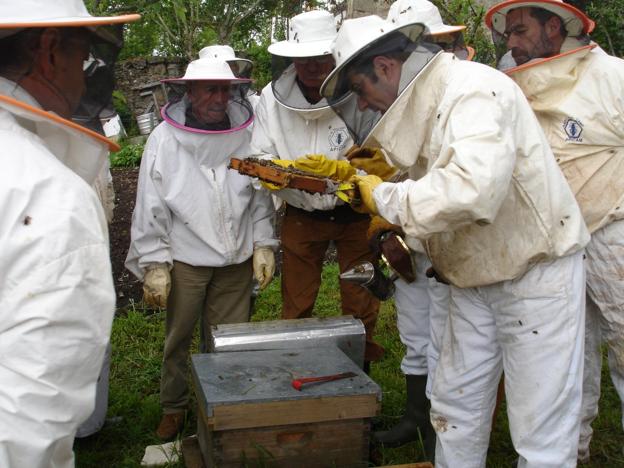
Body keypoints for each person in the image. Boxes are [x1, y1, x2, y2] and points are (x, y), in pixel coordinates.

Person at [320, 14, 590, 468]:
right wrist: (387, 183)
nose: (367, 107)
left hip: (535, 275)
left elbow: (471, 191)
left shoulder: (473, 91)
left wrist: (383, 195)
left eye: (363, 93)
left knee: (540, 426)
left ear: (385, 67)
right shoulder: (431, 101)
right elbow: (437, 179)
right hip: (468, 276)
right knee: (454, 409)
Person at [0, 1, 139, 466]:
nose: (87, 74)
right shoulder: (50, 195)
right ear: (49, 52)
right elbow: (30, 427)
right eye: (82, 55)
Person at [485, 0, 624, 463]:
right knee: (568, 354)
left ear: (554, 25)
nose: (513, 42)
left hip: (613, 232)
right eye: (507, 35)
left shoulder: (612, 76)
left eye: (520, 31)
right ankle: (573, 449)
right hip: (552, 242)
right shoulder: (514, 88)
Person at [125, 57, 278, 441]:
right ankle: (174, 407)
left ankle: (225, 405)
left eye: (225, 89)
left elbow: (260, 195)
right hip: (186, 260)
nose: (219, 97)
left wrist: (264, 243)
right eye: (209, 88)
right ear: (188, 92)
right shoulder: (164, 139)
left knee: (229, 338)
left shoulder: (246, 135)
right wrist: (155, 264)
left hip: (236, 260)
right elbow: (150, 204)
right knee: (179, 338)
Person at [360, 0, 474, 452]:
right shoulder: (384, 97)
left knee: (457, 339)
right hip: (407, 235)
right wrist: (383, 232)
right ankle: (416, 419)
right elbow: (378, 176)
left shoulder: (472, 93)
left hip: (456, 239)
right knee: (416, 332)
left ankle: (454, 427)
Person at [250, 10, 383, 368]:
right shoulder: (270, 98)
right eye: (304, 57)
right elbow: (260, 152)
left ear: (334, 54)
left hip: (355, 212)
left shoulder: (358, 90)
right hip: (301, 213)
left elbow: (376, 150)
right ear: (292, 56)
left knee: (359, 299)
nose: (312, 66)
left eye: (320, 56)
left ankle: (359, 374)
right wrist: (278, 173)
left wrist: (350, 174)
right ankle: (298, 370)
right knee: (297, 300)